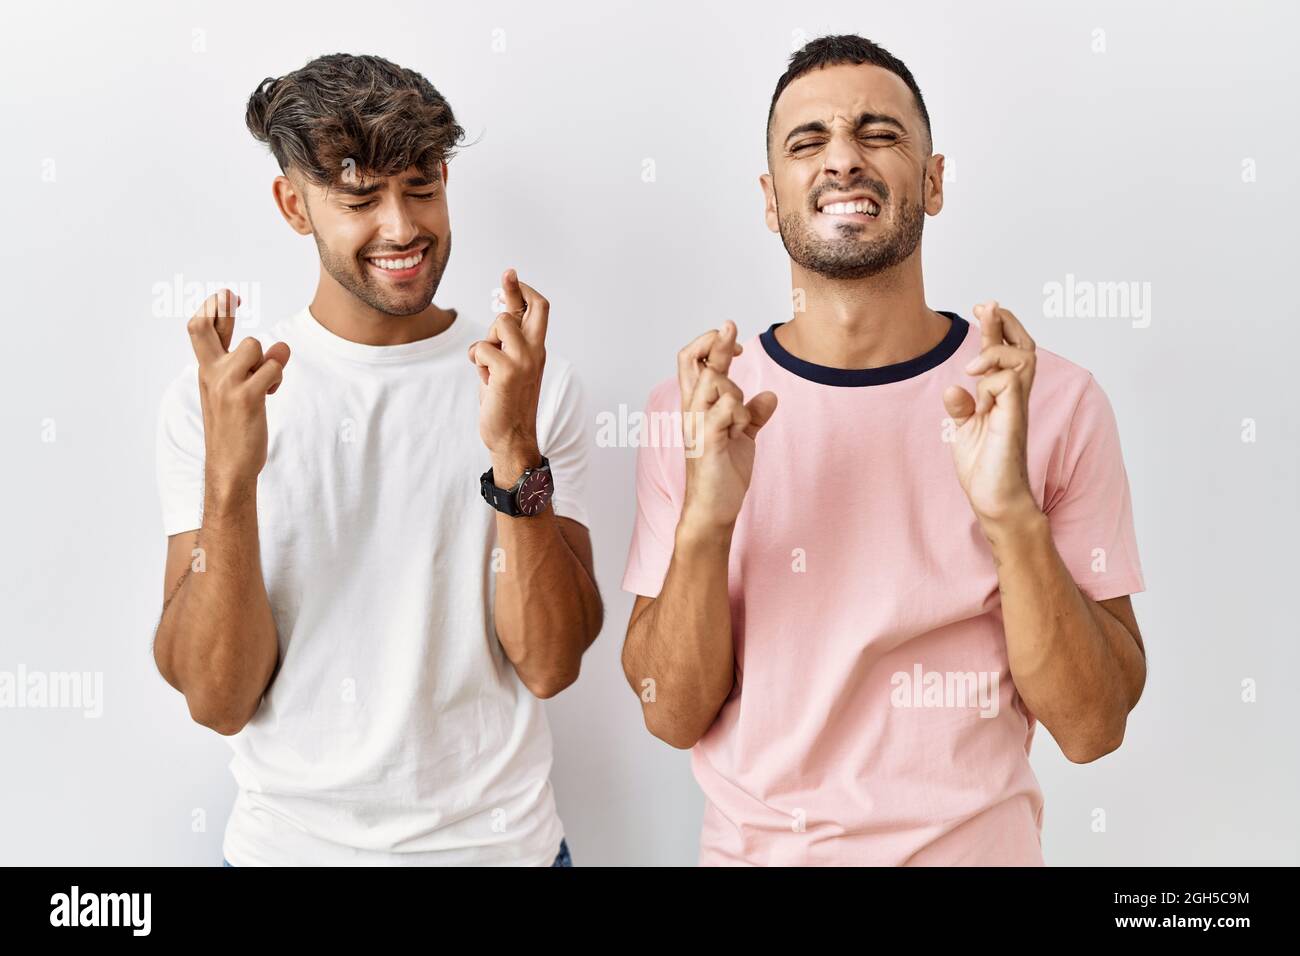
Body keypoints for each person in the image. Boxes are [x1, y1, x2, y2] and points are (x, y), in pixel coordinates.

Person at [621, 34, 1147, 865]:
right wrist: (706, 521)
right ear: (770, 198)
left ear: (933, 182)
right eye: (808, 142)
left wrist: (1012, 518)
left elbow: (1093, 727)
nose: (843, 161)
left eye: (879, 134)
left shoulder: (1049, 398)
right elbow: (670, 713)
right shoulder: (696, 409)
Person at [153, 54, 600, 866]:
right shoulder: (217, 400)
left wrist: (513, 453)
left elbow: (551, 663)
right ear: (295, 204)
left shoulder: (530, 381)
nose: (401, 228)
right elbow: (218, 700)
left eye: (422, 188)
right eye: (360, 198)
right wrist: (231, 482)